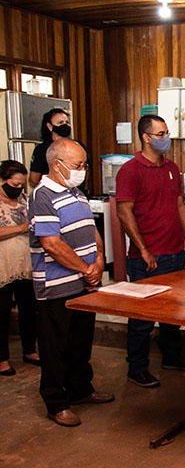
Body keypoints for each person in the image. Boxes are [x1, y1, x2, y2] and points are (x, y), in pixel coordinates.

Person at [28, 139, 114, 427]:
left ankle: (80, 389)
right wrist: (86, 269)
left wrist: (99, 259)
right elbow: (51, 243)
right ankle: (56, 402)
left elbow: (91, 230)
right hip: (56, 285)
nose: (82, 170)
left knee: (80, 341)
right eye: (77, 165)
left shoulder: (75, 192)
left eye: (84, 165)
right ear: (57, 165)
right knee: (55, 347)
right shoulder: (43, 195)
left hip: (83, 282)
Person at [115, 115, 185, 388]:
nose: (166, 138)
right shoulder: (131, 170)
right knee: (142, 316)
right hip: (147, 256)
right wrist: (143, 250)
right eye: (160, 134)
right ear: (146, 137)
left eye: (167, 132)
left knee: (173, 311)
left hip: (174, 251)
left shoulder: (172, 167)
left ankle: (171, 356)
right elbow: (124, 212)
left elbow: (179, 203)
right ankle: (136, 367)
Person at [0, 160, 39, 376]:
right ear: (2, 181)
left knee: (28, 307)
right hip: (3, 266)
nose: (18, 189)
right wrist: (21, 228)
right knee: (2, 311)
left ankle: (29, 350)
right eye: (14, 185)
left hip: (26, 263)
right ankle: (2, 359)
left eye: (21, 185)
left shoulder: (25, 200)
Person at [29, 109, 88, 190]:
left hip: (77, 193)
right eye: (60, 123)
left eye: (67, 122)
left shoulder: (78, 146)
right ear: (50, 126)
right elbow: (33, 180)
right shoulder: (42, 150)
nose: (65, 125)